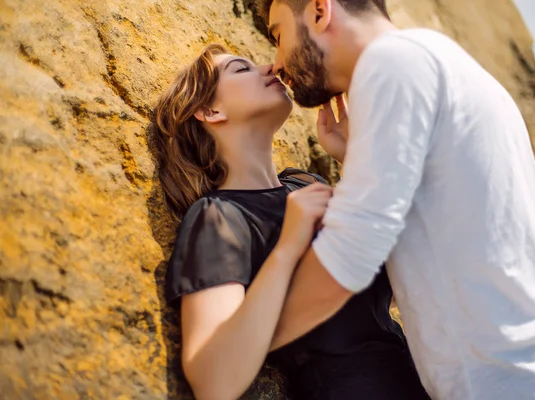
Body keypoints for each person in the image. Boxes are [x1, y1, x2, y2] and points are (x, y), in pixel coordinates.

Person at [259, 0, 535, 399]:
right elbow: (437, 232)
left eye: (279, 35)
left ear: (320, 10)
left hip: (527, 385)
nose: (277, 62)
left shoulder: (393, 62)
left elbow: (349, 253)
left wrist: (248, 344)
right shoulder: (431, 60)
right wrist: (354, 158)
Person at [150, 44, 430, 400]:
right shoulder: (219, 216)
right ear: (210, 110)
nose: (269, 67)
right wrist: (287, 248)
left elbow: (408, 269)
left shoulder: (306, 185)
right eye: (241, 69)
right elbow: (213, 383)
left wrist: (357, 159)